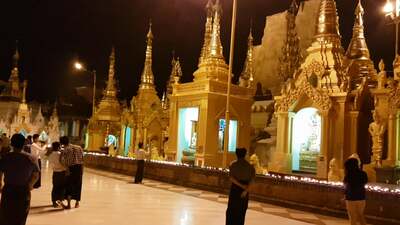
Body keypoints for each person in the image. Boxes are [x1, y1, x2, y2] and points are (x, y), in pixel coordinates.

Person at [0, 133, 39, 225]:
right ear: (24, 144)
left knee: (6, 215)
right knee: (20, 216)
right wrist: (29, 186)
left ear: (11, 144)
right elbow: (36, 175)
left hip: (8, 189)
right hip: (23, 190)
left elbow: (0, 173)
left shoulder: (6, 157)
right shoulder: (32, 158)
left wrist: (0, 185)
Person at [226, 148, 255, 225]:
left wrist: (241, 186)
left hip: (235, 189)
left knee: (232, 211)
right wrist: (245, 190)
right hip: (245, 191)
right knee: (241, 211)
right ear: (245, 155)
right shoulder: (250, 166)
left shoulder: (233, 164)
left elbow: (231, 178)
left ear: (236, 154)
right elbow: (252, 181)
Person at [60, 136, 84, 209]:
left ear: (62, 143)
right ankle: (77, 203)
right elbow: (82, 159)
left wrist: (67, 170)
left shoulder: (65, 150)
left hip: (71, 168)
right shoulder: (79, 147)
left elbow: (63, 161)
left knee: (69, 186)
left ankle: (69, 204)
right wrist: (82, 169)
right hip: (79, 167)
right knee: (78, 184)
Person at [343, 158, 368, 225]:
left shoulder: (348, 175)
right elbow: (365, 183)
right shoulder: (363, 173)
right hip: (361, 198)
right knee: (360, 216)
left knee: (352, 218)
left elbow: (346, 187)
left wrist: (344, 195)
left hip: (351, 198)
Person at [48, 142, 67, 208]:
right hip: (62, 173)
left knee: (55, 187)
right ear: (59, 147)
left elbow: (51, 163)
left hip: (55, 173)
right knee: (61, 188)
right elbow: (64, 163)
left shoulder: (50, 155)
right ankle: (59, 201)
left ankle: (54, 202)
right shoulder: (60, 154)